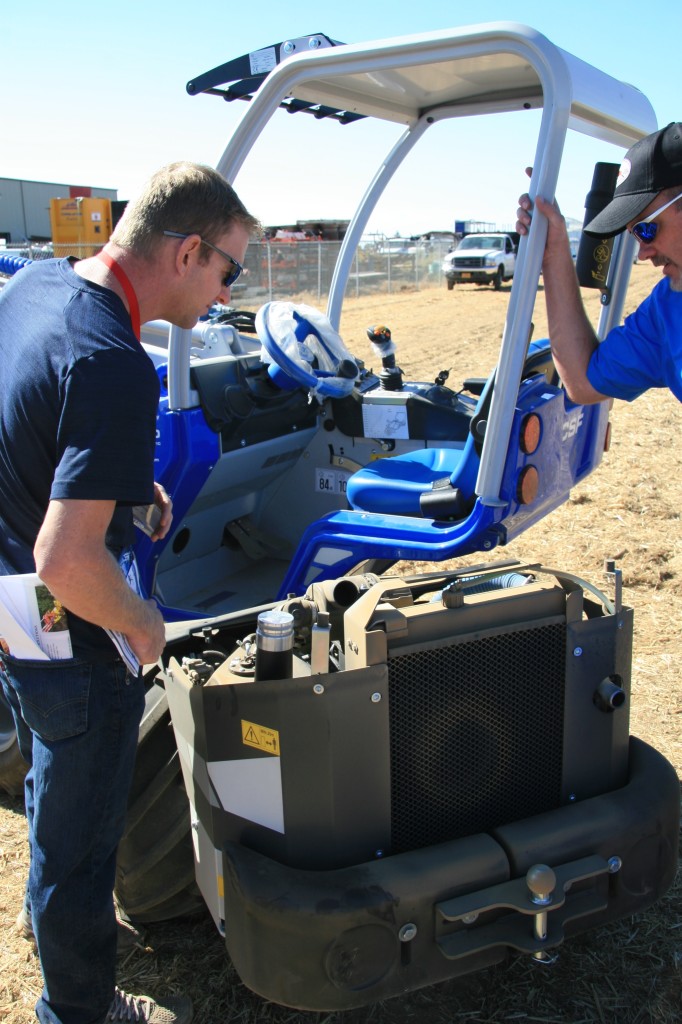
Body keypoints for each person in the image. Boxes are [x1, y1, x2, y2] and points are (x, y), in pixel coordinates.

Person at [0, 161, 260, 1024]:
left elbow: (31, 416)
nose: (228, 294)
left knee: (52, 787)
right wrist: (146, 626)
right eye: (230, 270)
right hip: (74, 641)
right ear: (188, 251)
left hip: (15, 620)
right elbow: (68, 563)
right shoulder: (119, 362)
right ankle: (78, 1009)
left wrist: (118, 486)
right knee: (79, 851)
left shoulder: (38, 289)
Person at [516, 121, 682, 405]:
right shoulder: (666, 307)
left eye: (646, 228)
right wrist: (554, 252)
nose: (643, 252)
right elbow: (583, 382)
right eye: (634, 236)